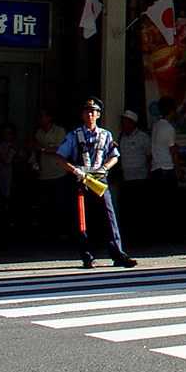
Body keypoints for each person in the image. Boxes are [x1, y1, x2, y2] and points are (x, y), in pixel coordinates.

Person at [55, 96, 137, 269]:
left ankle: (118, 254)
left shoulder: (105, 135)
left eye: (93, 112)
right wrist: (74, 170)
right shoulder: (74, 135)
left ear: (98, 115)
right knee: (83, 219)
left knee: (108, 217)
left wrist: (105, 167)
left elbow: (114, 156)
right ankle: (87, 256)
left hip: (99, 180)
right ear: (82, 115)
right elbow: (59, 157)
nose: (90, 115)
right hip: (82, 180)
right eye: (87, 112)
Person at [149, 96, 184, 242]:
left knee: (159, 205)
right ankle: (175, 236)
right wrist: (179, 171)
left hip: (155, 168)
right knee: (172, 204)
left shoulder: (156, 126)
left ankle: (160, 235)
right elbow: (173, 153)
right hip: (166, 168)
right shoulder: (169, 128)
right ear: (172, 110)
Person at [35, 106, 69, 241]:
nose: (39, 119)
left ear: (49, 118)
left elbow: (61, 150)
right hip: (44, 173)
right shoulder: (39, 133)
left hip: (58, 172)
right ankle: (46, 231)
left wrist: (41, 148)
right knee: (44, 204)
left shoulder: (59, 132)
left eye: (42, 116)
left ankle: (64, 231)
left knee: (61, 203)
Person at [117, 109, 151, 241]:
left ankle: (142, 237)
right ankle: (129, 236)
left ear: (132, 123)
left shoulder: (143, 137)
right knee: (126, 210)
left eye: (125, 122)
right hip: (126, 180)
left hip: (141, 179)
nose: (122, 125)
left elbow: (149, 157)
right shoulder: (121, 138)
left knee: (141, 210)